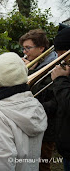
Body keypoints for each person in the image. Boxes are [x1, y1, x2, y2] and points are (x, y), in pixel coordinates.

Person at [19, 29, 58, 171]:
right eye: (23, 48)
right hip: (28, 123)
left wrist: (31, 108)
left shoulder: (55, 67)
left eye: (28, 48)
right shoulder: (32, 64)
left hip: (46, 128)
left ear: (41, 48)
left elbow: (55, 102)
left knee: (41, 165)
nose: (25, 52)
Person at [50, 24, 70, 171]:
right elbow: (58, 104)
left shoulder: (63, 77)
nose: (58, 59)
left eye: (61, 54)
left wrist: (59, 80)